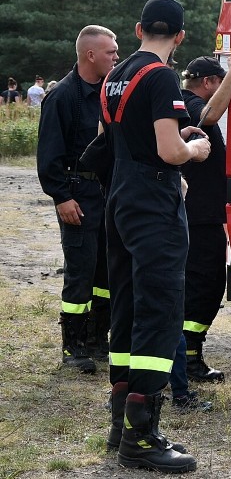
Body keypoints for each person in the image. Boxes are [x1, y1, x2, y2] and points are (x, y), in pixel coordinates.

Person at [102, 0, 210, 473]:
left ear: (138, 27)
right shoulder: (162, 75)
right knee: (161, 309)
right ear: (181, 37)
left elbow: (124, 143)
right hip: (153, 207)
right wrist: (197, 151)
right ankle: (141, 436)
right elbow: (169, 149)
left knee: (125, 304)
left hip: (120, 198)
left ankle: (119, 420)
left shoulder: (115, 74)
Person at [37, 26, 119, 374]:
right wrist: (61, 197)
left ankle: (99, 341)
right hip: (77, 195)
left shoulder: (108, 93)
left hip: (106, 194)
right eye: (110, 52)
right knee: (81, 273)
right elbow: (49, 155)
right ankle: (73, 348)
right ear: (90, 55)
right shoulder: (63, 97)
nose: (116, 58)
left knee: (106, 273)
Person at [177, 52, 231, 387]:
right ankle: (189, 359)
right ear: (208, 82)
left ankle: (189, 356)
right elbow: (209, 114)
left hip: (202, 214)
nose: (226, 88)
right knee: (203, 285)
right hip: (197, 217)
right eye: (221, 82)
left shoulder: (185, 100)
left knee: (203, 285)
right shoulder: (190, 102)